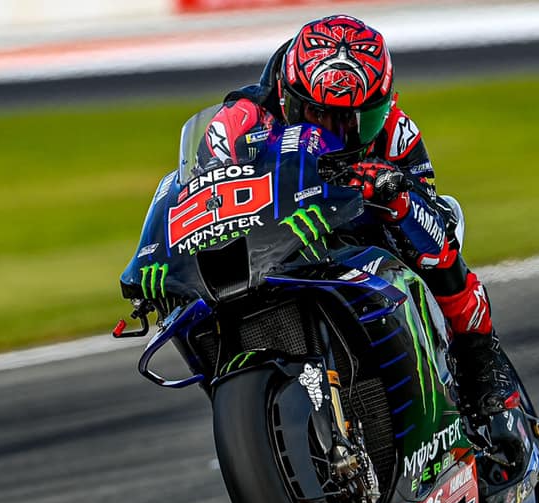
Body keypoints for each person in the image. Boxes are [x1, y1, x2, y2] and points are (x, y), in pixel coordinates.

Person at [203, 15, 522, 471]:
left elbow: (435, 221)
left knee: (440, 240)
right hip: (276, 242)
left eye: (353, 118)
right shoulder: (239, 119)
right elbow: (200, 193)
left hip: (361, 236)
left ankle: (479, 354)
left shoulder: (394, 130)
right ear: (288, 95)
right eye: (318, 113)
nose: (335, 128)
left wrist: (395, 196)